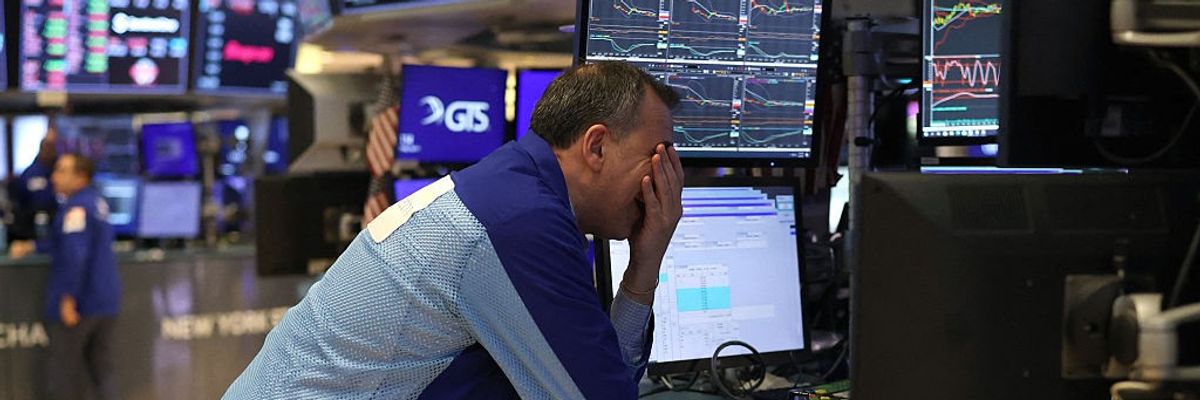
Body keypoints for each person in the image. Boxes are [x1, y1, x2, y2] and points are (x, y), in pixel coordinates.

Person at [224, 61, 683, 399]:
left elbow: (605, 377)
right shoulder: (520, 222)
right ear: (597, 146)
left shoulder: (511, 192)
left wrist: (644, 264)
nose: (668, 179)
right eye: (658, 155)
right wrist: (647, 262)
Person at [44, 154, 121, 400]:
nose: (54, 177)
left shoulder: (77, 208)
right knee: (103, 373)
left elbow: (75, 254)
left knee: (65, 375)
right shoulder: (97, 203)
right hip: (106, 301)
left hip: (82, 304)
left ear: (80, 177)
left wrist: (68, 298)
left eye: (61, 171)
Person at [8, 125, 59, 258]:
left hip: (55, 234)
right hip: (32, 232)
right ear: (41, 148)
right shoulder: (29, 174)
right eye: (48, 146)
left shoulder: (59, 170)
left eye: (54, 147)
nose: (51, 151)